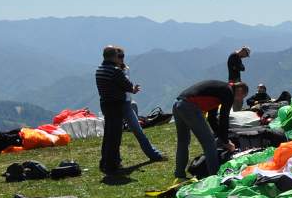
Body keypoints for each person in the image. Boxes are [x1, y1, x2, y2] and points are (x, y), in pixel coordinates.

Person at [96, 45, 162, 174]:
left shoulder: (100, 69)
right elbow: (128, 86)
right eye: (118, 55)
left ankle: (105, 163)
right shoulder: (115, 71)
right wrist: (133, 88)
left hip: (105, 104)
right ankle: (112, 165)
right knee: (115, 137)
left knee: (108, 135)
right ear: (114, 56)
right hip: (117, 105)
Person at [172, 79, 247, 180]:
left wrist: (221, 138)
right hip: (190, 106)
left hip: (178, 104)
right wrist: (226, 141)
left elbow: (212, 118)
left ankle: (179, 175)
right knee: (210, 143)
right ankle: (215, 178)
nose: (238, 100)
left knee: (183, 142)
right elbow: (224, 118)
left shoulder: (220, 90)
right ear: (240, 90)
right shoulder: (229, 92)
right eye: (241, 97)